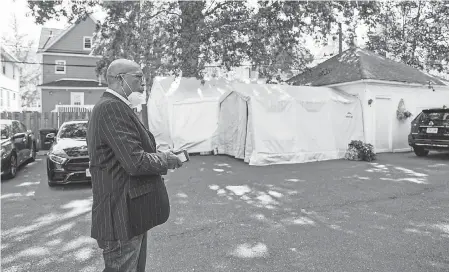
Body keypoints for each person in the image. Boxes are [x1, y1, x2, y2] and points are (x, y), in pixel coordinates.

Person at [86, 59, 183, 272]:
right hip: (121, 215)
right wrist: (166, 159)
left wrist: (159, 154)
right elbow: (135, 162)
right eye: (138, 77)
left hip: (127, 213)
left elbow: (129, 155)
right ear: (120, 79)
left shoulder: (115, 106)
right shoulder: (112, 108)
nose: (143, 83)